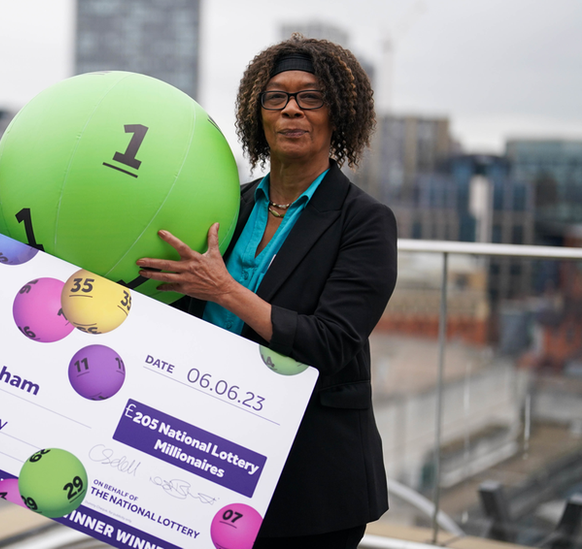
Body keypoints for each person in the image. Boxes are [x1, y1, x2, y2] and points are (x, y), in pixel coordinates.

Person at [136, 36, 397, 549]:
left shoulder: (365, 222)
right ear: (258, 115)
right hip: (205, 455)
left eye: (311, 97)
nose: (292, 109)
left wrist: (227, 291)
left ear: (338, 114)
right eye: (276, 97)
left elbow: (331, 344)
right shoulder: (225, 207)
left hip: (310, 481)